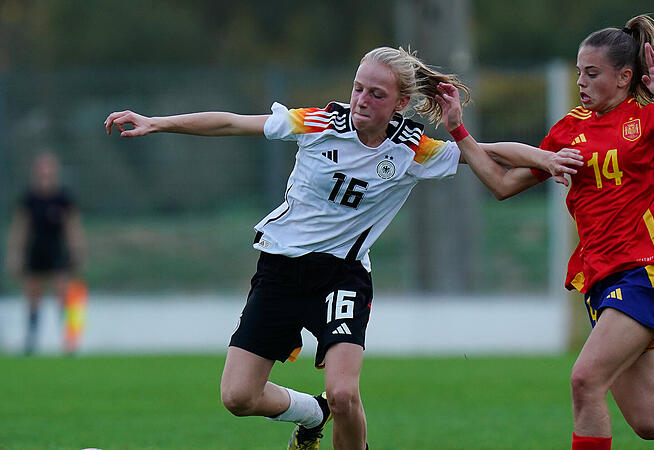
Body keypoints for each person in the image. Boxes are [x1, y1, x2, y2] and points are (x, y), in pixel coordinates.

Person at [104, 46, 583, 450]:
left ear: (400, 103)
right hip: (279, 271)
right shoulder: (319, 123)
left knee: (345, 395)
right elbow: (232, 123)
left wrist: (546, 157)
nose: (361, 100)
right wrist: (156, 123)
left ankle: (330, 410)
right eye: (358, 88)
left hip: (343, 277)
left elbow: (492, 153)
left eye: (376, 94)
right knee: (238, 397)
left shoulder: (412, 149)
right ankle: (311, 414)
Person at [435, 14, 654, 450]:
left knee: (585, 380)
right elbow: (502, 184)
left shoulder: (651, 117)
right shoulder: (570, 128)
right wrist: (458, 130)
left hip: (642, 271)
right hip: (599, 279)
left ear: (624, 77)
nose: (581, 82)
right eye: (578, 73)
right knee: (653, 418)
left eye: (592, 73)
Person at [5, 152, 87, 355]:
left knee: (63, 295)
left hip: (56, 251)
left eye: (49, 168)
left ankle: (69, 342)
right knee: (33, 297)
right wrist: (15, 254)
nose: (45, 173)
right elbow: (20, 228)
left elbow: (72, 228)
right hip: (35, 251)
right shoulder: (29, 198)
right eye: (42, 168)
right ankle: (31, 341)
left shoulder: (63, 198)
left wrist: (78, 251)